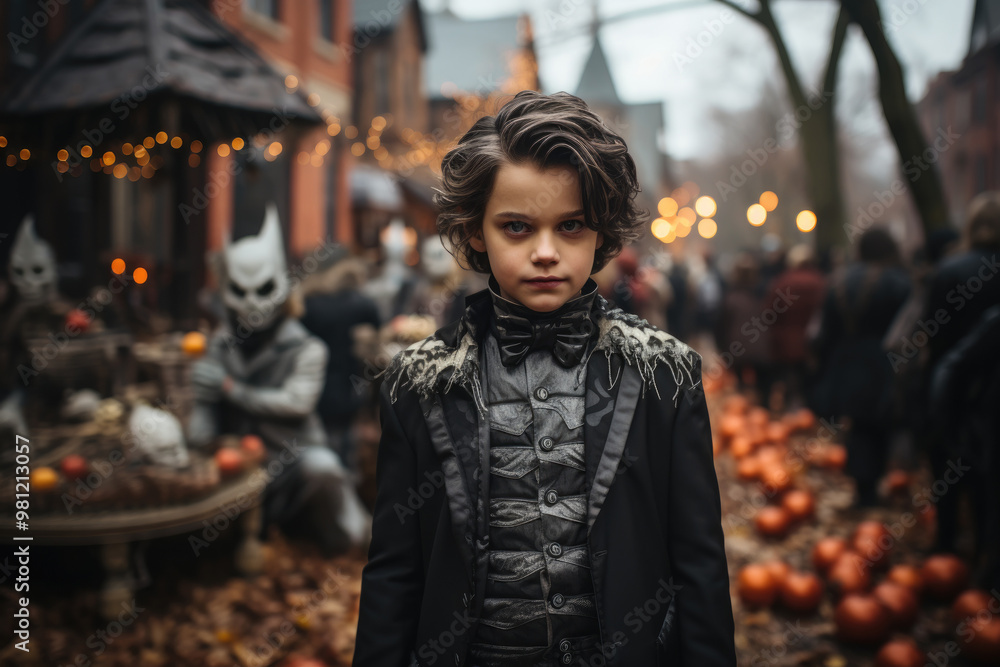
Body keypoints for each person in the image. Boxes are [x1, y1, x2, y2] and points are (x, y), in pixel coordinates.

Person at [353, 91, 735, 667]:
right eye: (517, 227)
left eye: (571, 226)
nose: (546, 253)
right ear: (476, 230)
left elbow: (699, 567)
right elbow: (394, 573)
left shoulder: (665, 374)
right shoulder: (418, 383)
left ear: (600, 230)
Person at [187, 204, 370, 556]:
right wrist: (201, 418)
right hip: (235, 455)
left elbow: (295, 403)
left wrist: (229, 388)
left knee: (326, 470)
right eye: (241, 291)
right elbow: (202, 418)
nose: (254, 303)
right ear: (228, 292)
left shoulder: (306, 347)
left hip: (294, 454)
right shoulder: (220, 343)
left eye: (264, 289)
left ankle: (349, 539)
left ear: (282, 288)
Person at [812, 228, 911, 507]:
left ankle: (863, 484)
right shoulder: (897, 280)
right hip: (883, 361)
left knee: (857, 424)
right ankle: (871, 483)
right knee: (878, 422)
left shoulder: (838, 281)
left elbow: (825, 331)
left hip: (846, 361)